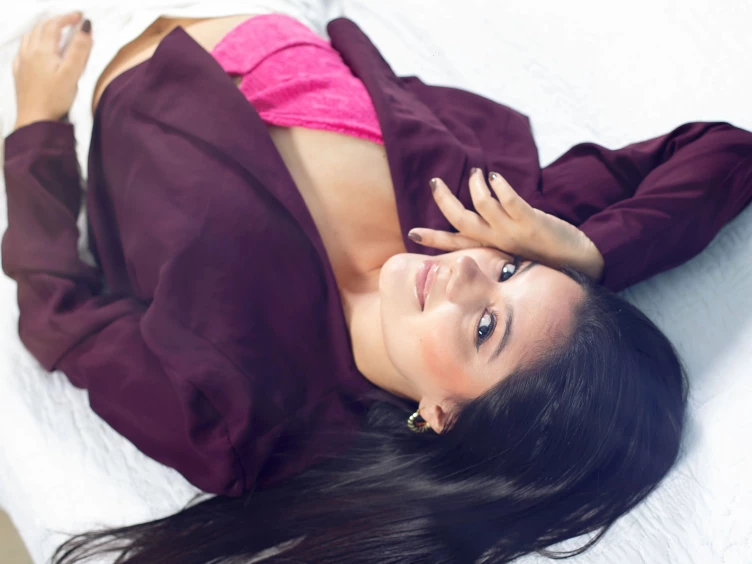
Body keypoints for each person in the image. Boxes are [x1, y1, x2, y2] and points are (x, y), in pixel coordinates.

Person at [3, 9, 751, 564]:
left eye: (485, 328)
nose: (470, 272)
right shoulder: (502, 221)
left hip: (79, 55)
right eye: (512, 274)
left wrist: (36, 119)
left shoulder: (237, 415)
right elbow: (728, 153)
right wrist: (588, 251)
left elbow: (56, 309)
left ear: (442, 415)